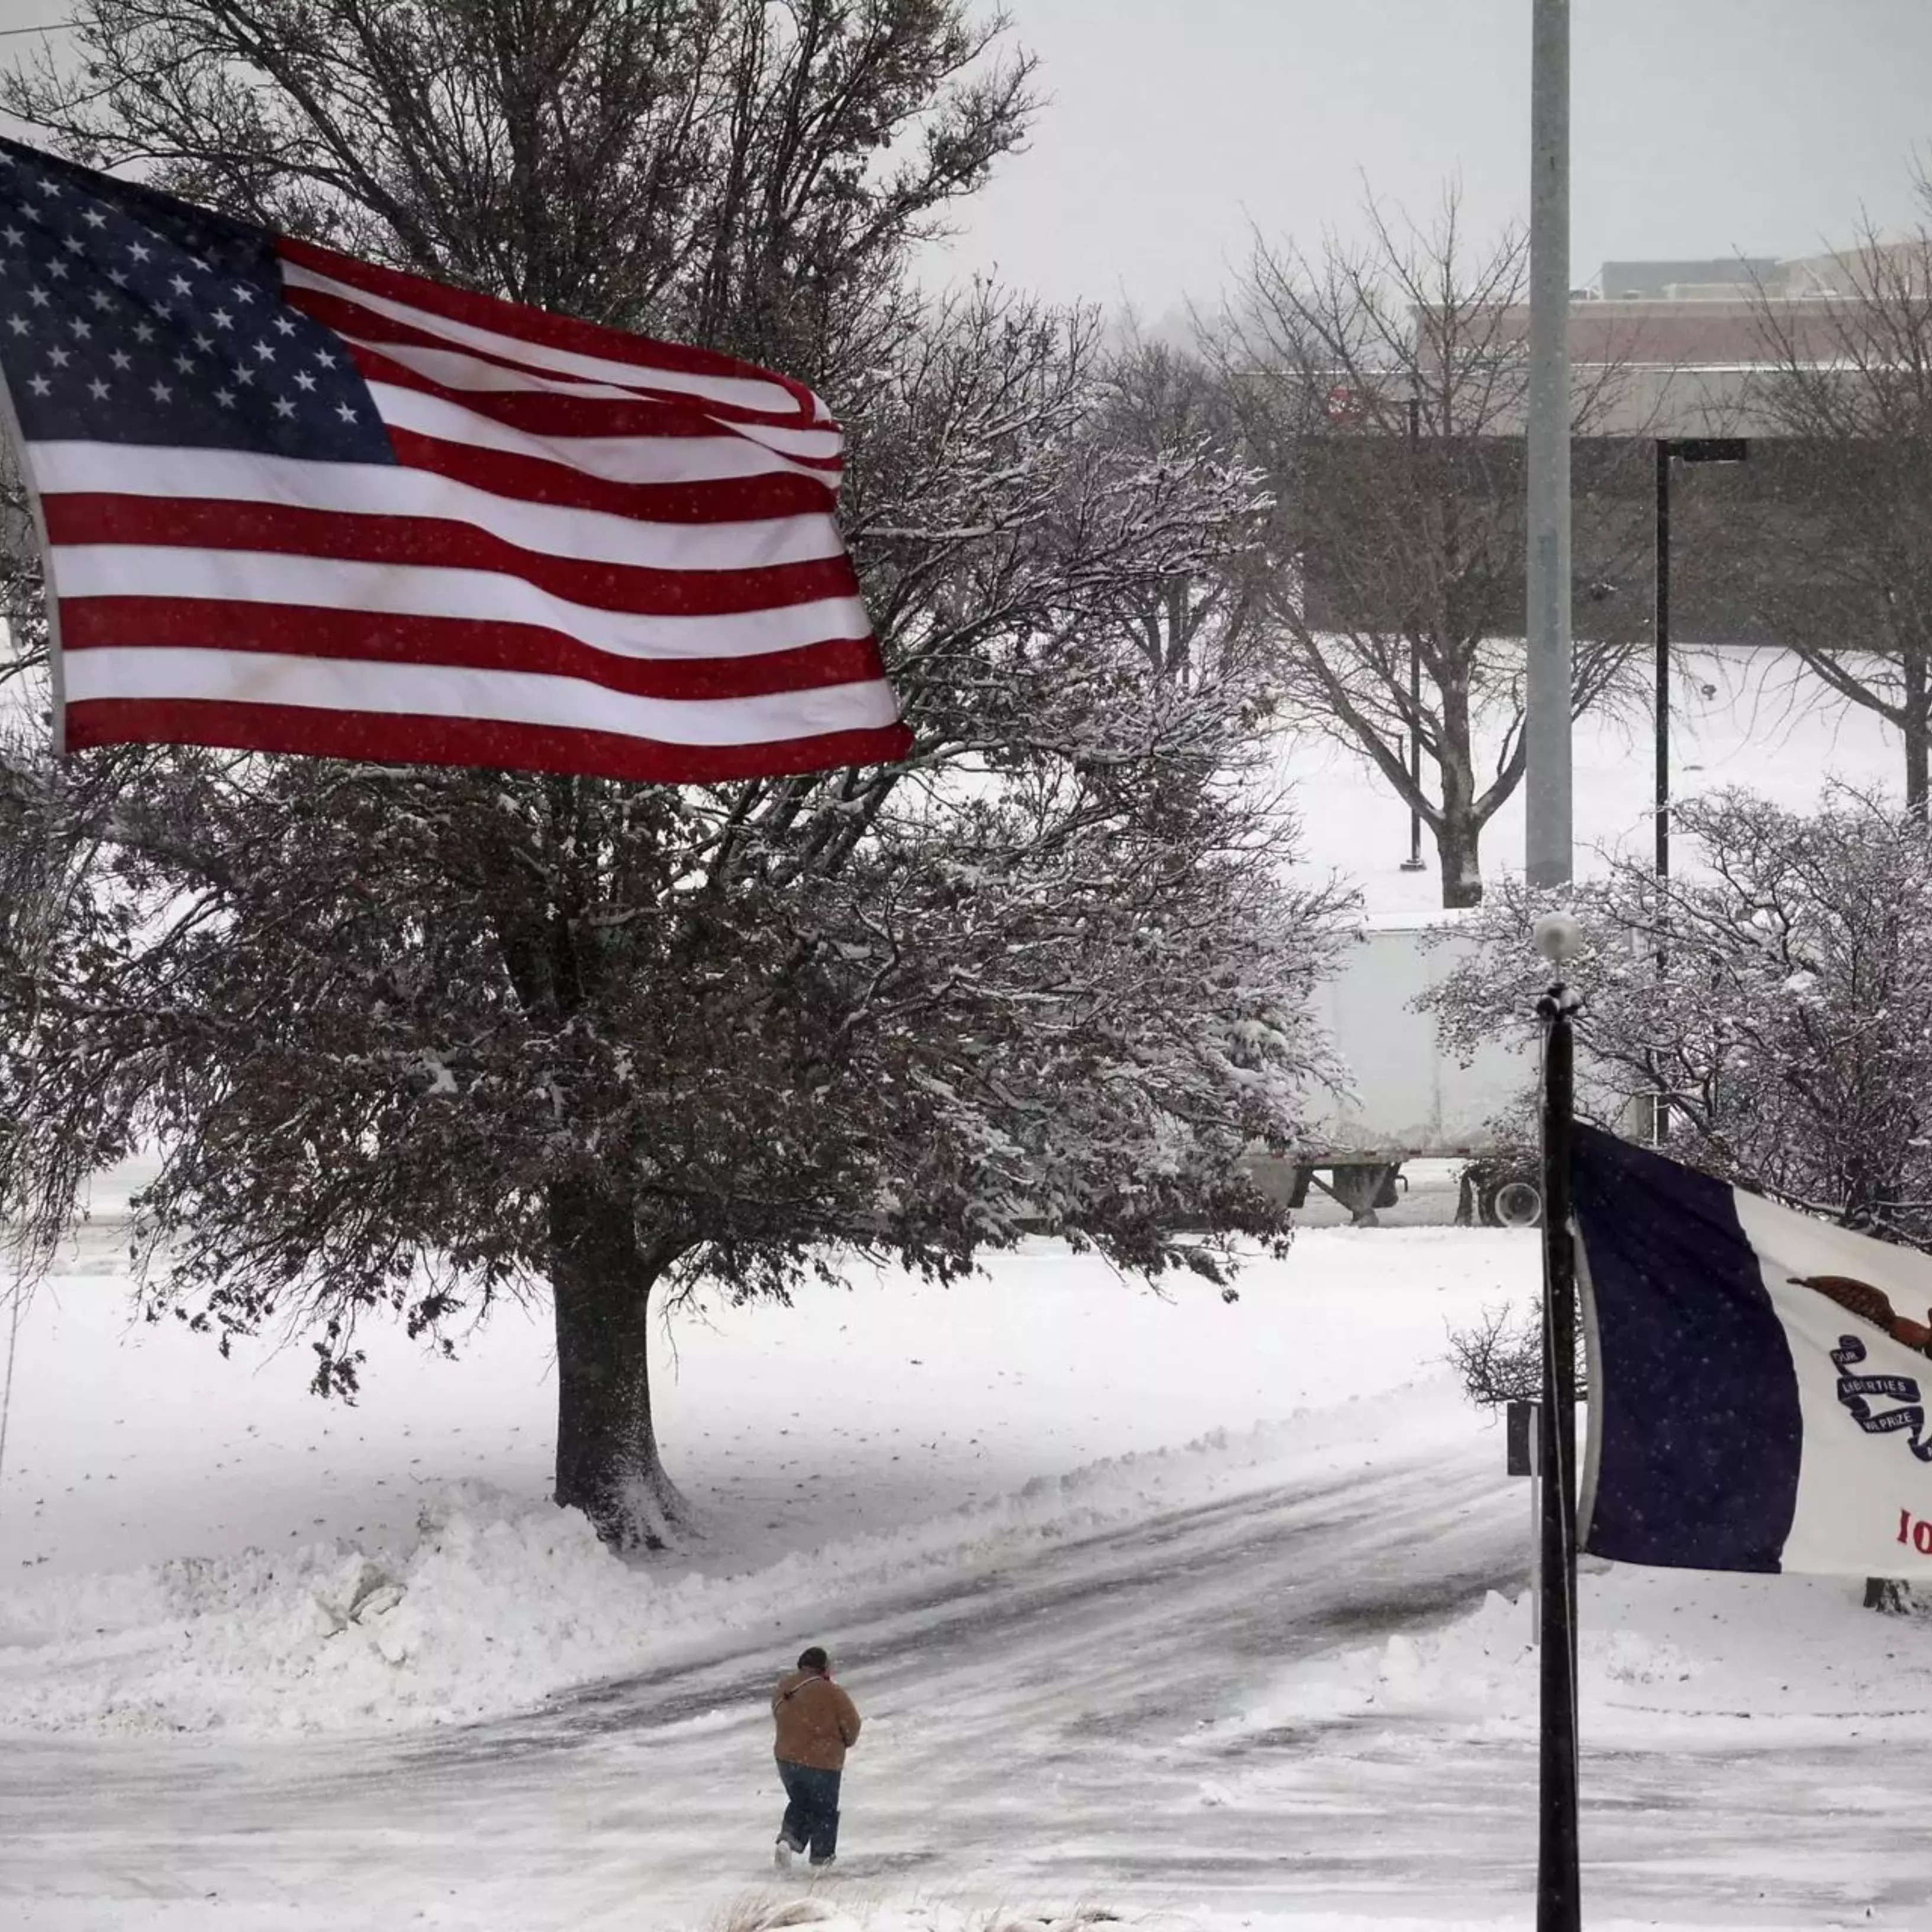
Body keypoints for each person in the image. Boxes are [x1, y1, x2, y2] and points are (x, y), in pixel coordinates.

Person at [771, 1644, 861, 1873]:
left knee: (800, 1803)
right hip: (822, 1761)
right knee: (824, 1810)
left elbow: (779, 1715)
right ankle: (820, 1863)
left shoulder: (784, 1687)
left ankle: (787, 1842)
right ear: (824, 1668)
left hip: (786, 1761)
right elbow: (852, 1726)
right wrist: (840, 1742)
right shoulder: (832, 1692)